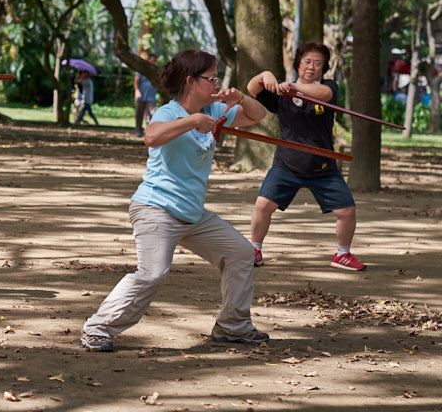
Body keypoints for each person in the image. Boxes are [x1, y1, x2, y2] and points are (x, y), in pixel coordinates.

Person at [80, 49, 269, 352]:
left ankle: (233, 325)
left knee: (242, 253)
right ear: (191, 81)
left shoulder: (216, 110)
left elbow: (258, 116)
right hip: (156, 209)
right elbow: (151, 137)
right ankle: (98, 327)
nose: (216, 83)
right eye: (211, 78)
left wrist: (240, 98)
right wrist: (193, 120)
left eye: (217, 78)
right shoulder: (171, 112)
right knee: (152, 273)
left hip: (192, 214)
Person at [247, 41, 365, 271]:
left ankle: (342, 255)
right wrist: (265, 75)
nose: (311, 67)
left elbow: (325, 94)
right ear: (298, 64)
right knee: (262, 205)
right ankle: (254, 250)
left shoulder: (327, 87)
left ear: (323, 68)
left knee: (347, 211)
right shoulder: (282, 92)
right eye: (307, 62)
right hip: (287, 164)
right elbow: (253, 89)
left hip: (322, 165)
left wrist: (292, 87)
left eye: (317, 63)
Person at [134, 53, 158, 137]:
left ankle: (148, 131)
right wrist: (137, 91)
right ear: (148, 60)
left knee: (151, 115)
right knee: (139, 114)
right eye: (153, 61)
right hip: (141, 96)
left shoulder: (155, 71)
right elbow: (136, 80)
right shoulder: (141, 69)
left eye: (155, 61)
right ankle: (138, 131)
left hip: (151, 97)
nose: (154, 63)